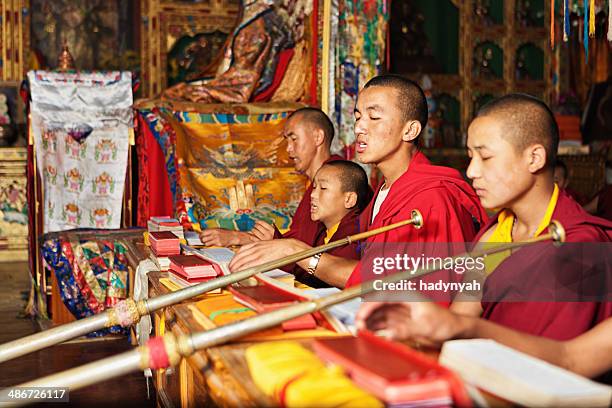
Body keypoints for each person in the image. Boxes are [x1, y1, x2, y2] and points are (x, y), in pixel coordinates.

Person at [357, 94, 612, 350]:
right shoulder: (496, 234)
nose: (471, 172)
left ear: (534, 158)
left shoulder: (580, 245)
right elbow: (460, 318)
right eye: (470, 157)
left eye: (485, 158)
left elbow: (558, 364)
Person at [229, 75, 487, 291]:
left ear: (410, 130)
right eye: (358, 117)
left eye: (374, 118)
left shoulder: (432, 197)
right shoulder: (386, 189)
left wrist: (299, 252)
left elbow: (400, 284)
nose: (360, 128)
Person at [199, 107, 342, 247]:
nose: (288, 149)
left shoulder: (335, 181)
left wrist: (238, 238)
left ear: (318, 137)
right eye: (287, 141)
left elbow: (304, 251)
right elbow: (299, 242)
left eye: (294, 139)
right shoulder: (316, 182)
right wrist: (241, 238)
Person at [294, 160, 372, 288]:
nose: (313, 195)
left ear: (349, 199)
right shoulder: (324, 231)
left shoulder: (354, 238)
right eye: (314, 187)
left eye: (323, 188)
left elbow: (323, 281)